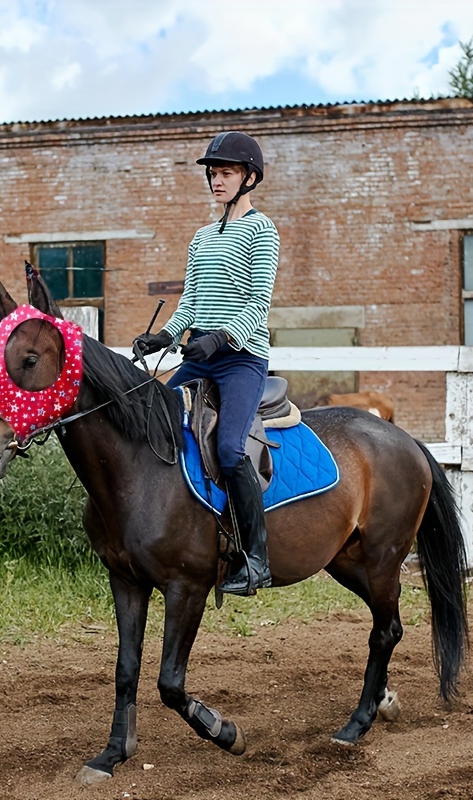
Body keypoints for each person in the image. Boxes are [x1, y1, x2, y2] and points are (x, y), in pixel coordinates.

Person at [133, 130, 280, 596]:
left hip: (241, 360)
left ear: (249, 178)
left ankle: (256, 560)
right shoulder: (201, 237)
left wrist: (219, 340)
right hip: (202, 355)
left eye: (226, 173)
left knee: (232, 448)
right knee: (152, 419)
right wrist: (165, 336)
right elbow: (191, 302)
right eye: (213, 174)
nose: (216, 181)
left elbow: (259, 304)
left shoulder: (263, 230)